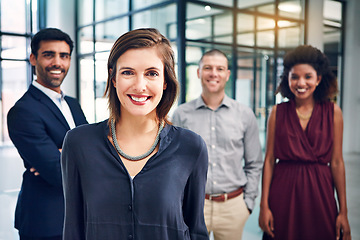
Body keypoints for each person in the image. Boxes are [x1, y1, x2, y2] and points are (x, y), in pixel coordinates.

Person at [61, 28, 209, 240]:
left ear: (165, 81)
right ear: (113, 79)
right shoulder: (79, 143)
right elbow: (73, 229)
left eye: (152, 73)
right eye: (128, 72)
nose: (140, 86)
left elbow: (196, 231)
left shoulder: (191, 146)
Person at [258, 45, 351, 240]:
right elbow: (269, 161)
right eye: (294, 77)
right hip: (283, 192)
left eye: (308, 76)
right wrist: (264, 206)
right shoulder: (277, 113)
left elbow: (337, 162)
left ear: (318, 79)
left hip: (320, 192)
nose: (301, 83)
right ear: (287, 79)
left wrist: (343, 211)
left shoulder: (333, 112)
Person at [172, 49, 263, 240]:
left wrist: (247, 204)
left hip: (233, 207)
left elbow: (254, 163)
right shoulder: (182, 114)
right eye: (208, 68)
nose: (214, 73)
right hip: (193, 205)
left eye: (220, 69)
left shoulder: (244, 114)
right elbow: (174, 163)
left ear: (227, 74)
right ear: (198, 72)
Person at [7, 28, 88, 240]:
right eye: (48, 54)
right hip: (45, 221)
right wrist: (77, 156)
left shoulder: (72, 104)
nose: (57, 63)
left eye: (64, 56)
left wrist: (65, 154)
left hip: (81, 217)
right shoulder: (23, 111)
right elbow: (55, 171)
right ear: (33, 58)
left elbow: (94, 147)